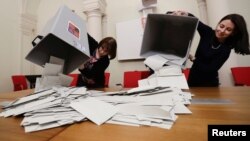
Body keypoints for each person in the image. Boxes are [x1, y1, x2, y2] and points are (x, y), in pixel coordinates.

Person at [168, 11, 250, 87]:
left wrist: (192, 58)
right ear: (218, 24)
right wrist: (184, 14)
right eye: (221, 26)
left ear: (233, 33)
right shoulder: (208, 33)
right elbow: (196, 21)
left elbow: (210, 70)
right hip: (193, 79)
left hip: (209, 84)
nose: (222, 31)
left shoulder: (226, 49)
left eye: (228, 29)